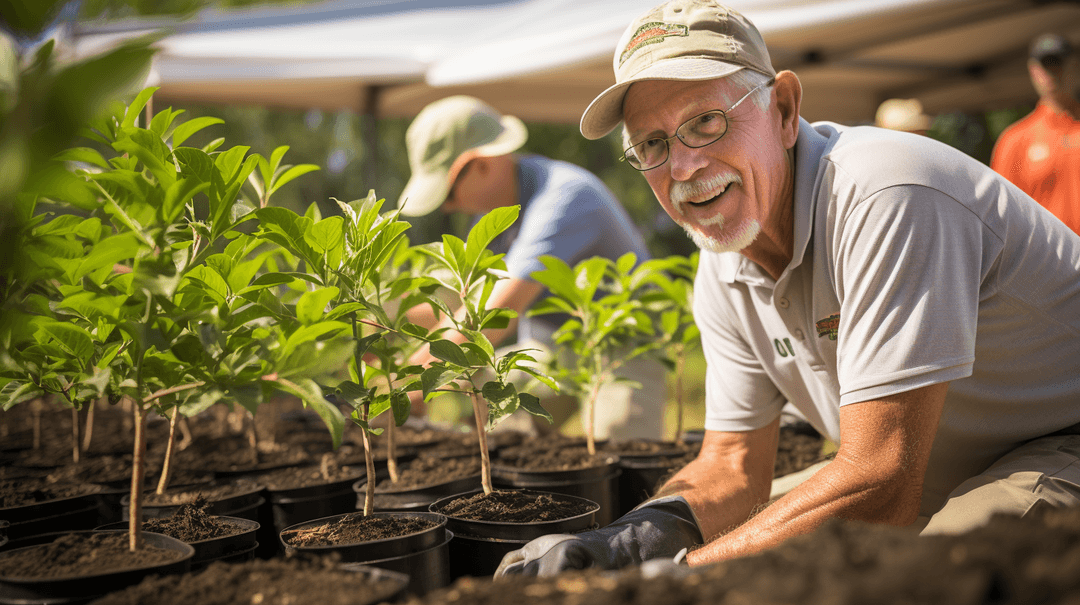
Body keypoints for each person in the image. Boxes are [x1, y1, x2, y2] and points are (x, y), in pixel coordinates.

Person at [496, 0, 1080, 577]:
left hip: (1058, 440)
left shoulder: (885, 195)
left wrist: (679, 575)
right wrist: (623, 543)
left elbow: (880, 482)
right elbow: (731, 464)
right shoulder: (722, 264)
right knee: (762, 529)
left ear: (783, 108)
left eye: (705, 122)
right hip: (928, 463)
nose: (681, 168)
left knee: (928, 577)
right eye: (652, 144)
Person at [397, 95, 666, 441]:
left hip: (624, 344)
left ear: (482, 165)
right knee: (489, 417)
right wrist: (385, 327)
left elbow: (497, 313)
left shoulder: (564, 197)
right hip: (552, 345)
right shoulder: (492, 221)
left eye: (449, 194)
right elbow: (462, 303)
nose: (450, 207)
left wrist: (412, 386)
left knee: (618, 447)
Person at [990, 33, 1080, 235]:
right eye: (1045, 65)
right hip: (1047, 263)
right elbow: (1002, 215)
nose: (1052, 72)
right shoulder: (1014, 140)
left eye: (1057, 63)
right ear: (1032, 71)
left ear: (1074, 66)